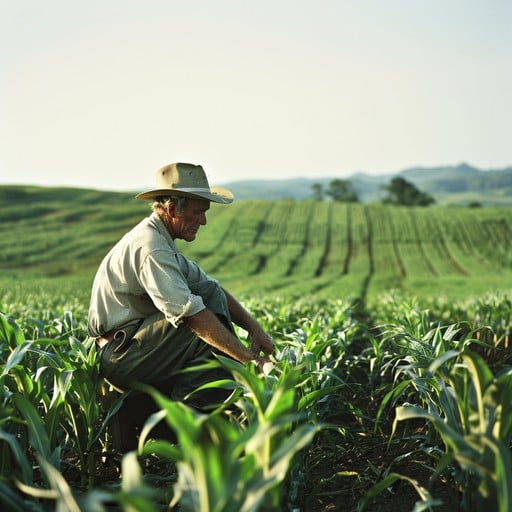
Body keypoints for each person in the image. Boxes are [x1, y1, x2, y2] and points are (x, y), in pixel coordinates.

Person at [88, 162, 274, 448]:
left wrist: (256, 330)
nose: (203, 221)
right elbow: (191, 316)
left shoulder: (159, 238)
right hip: (122, 356)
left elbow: (213, 289)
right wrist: (252, 363)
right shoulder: (151, 247)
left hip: (142, 347)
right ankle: (186, 425)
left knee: (208, 297)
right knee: (202, 327)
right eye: (198, 212)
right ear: (173, 209)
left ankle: (189, 416)